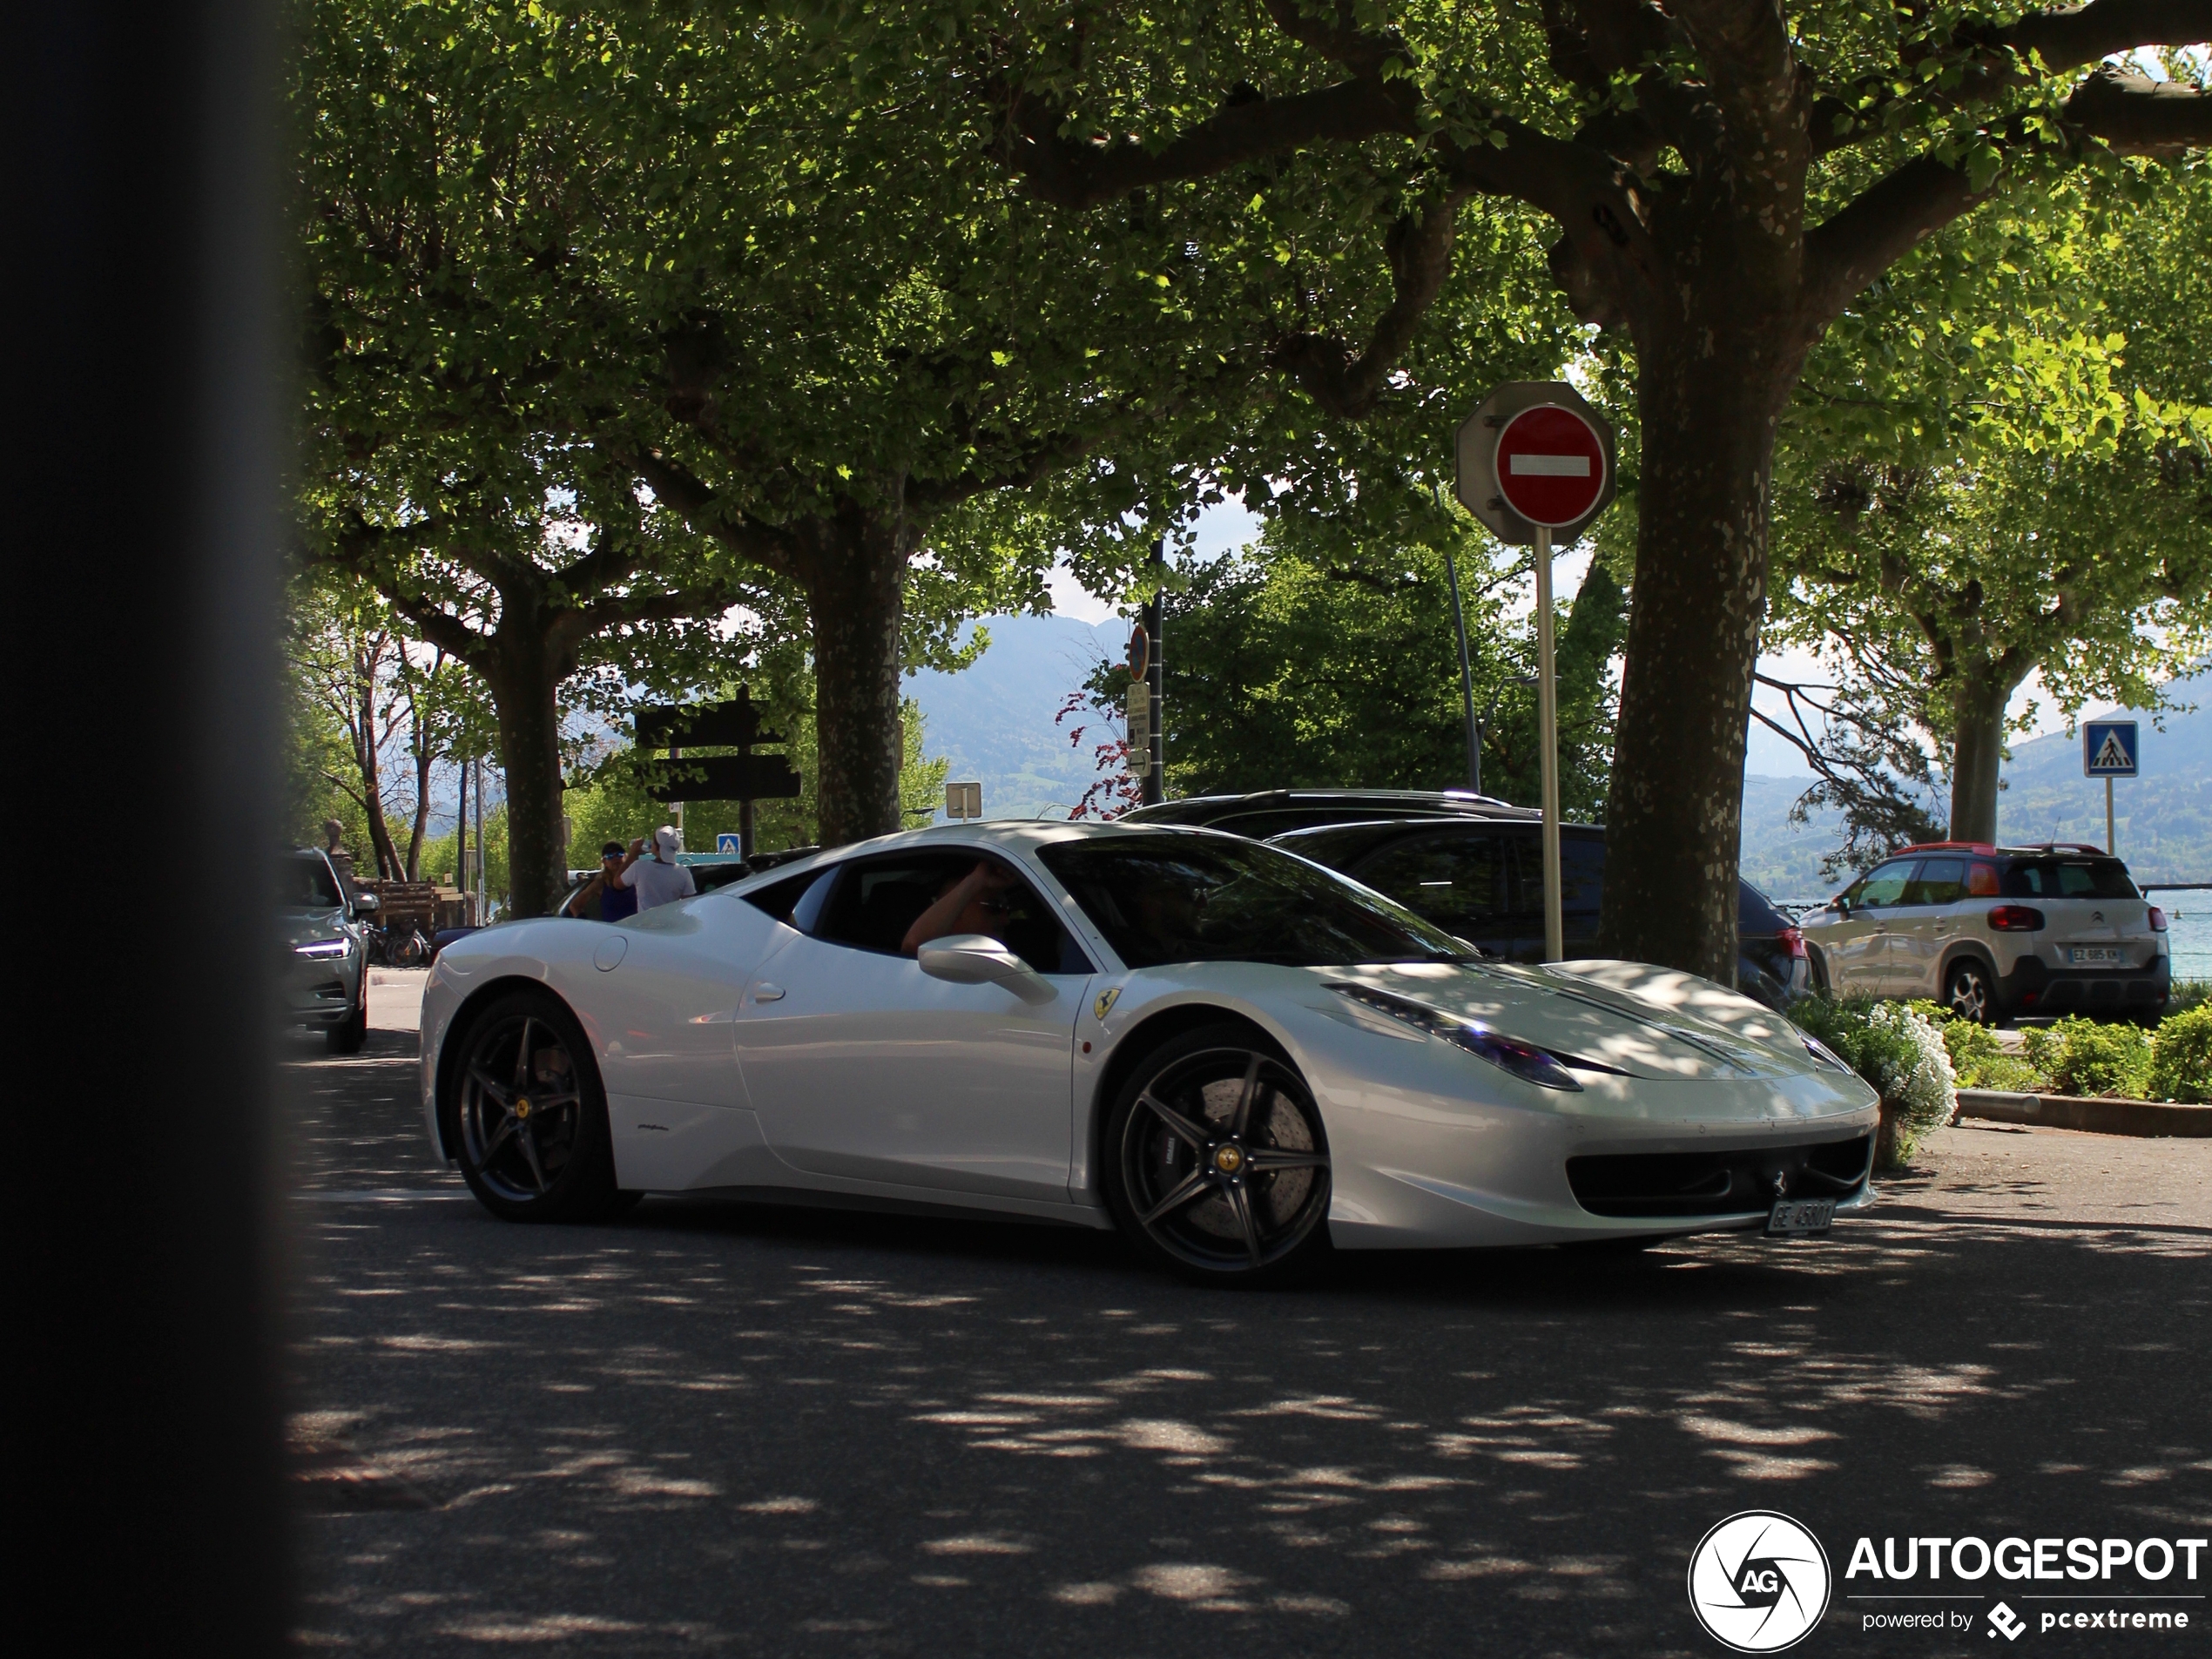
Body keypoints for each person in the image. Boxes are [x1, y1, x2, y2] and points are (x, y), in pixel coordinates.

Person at [901, 859, 1020, 955]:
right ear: (957, 911)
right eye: (995, 907)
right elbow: (914, 946)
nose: (1006, 920)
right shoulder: (938, 959)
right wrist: (975, 881)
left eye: (1008, 909)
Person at [615, 826, 697, 913]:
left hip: (644, 924)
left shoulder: (639, 867)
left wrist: (632, 855)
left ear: (657, 847)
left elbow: (617, 884)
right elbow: (689, 904)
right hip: (670, 923)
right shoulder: (684, 873)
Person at [560, 842, 640, 922]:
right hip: (613, 931)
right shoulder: (601, 883)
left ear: (625, 857)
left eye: (619, 854)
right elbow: (575, 906)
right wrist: (586, 925)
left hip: (636, 930)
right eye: (610, 856)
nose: (615, 858)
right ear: (605, 862)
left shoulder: (635, 878)